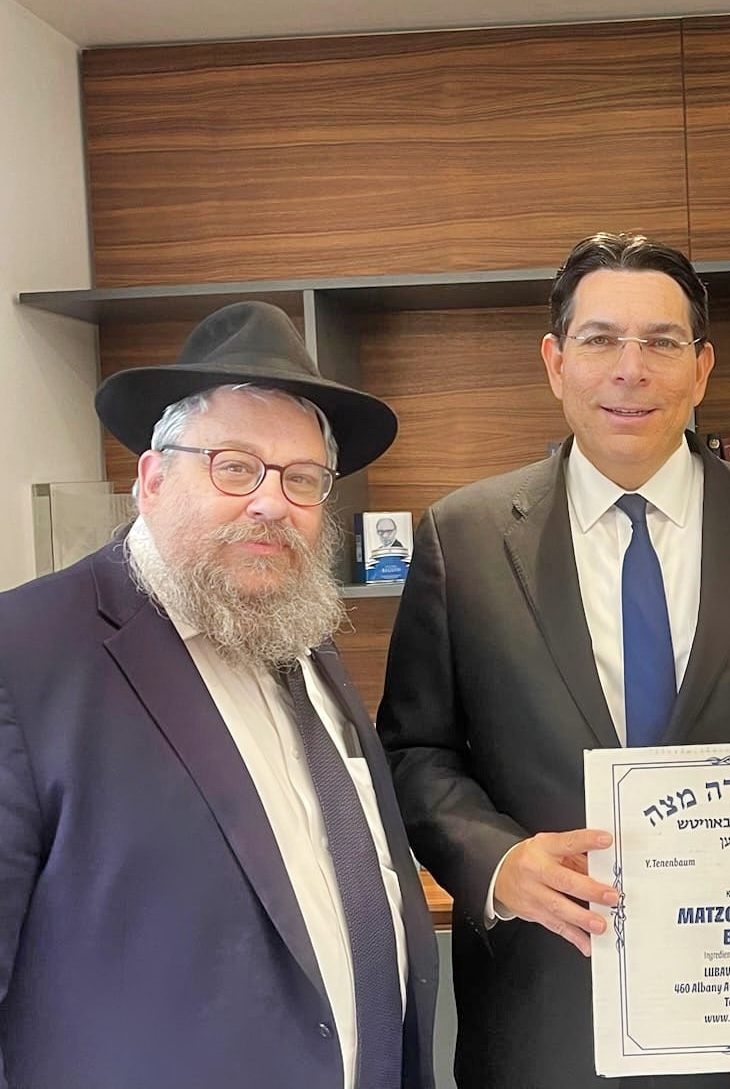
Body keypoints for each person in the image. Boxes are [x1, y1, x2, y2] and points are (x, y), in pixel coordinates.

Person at [378, 231, 730, 1089]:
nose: (630, 370)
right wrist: (499, 862)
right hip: (545, 1022)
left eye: (662, 342)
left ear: (701, 368)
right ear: (555, 362)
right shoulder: (462, 539)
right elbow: (414, 751)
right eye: (601, 339)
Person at [0, 301, 438, 1089]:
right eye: (234, 466)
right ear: (152, 478)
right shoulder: (25, 655)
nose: (271, 502)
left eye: (301, 479)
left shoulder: (298, 638)